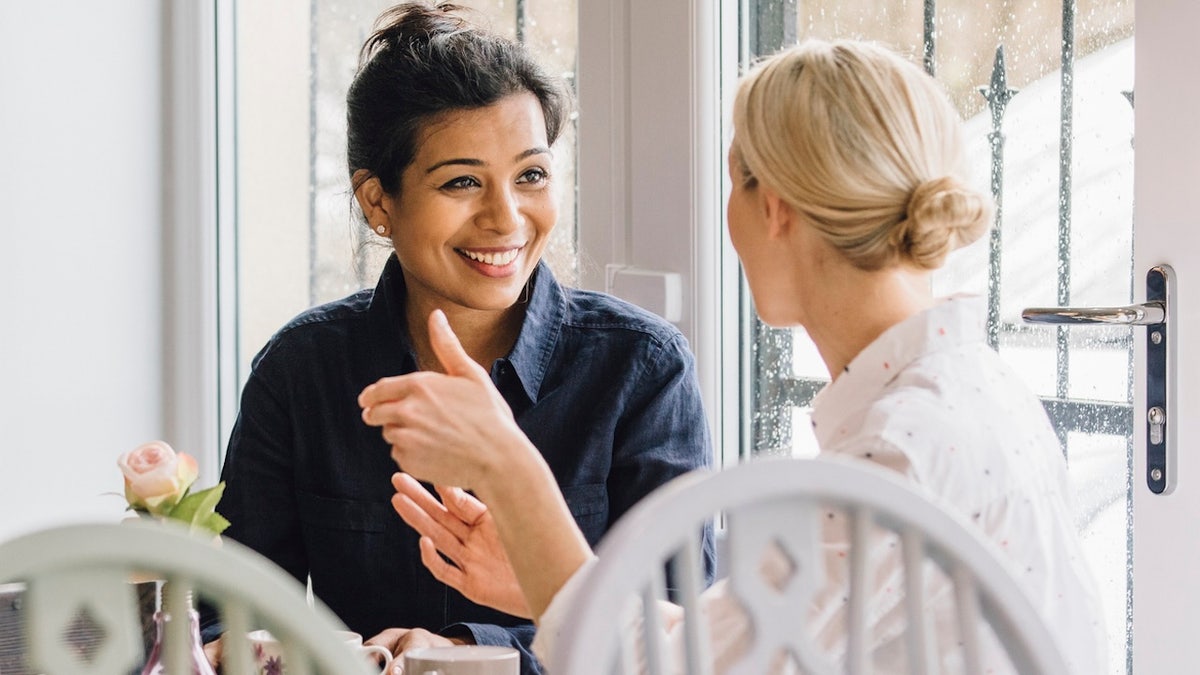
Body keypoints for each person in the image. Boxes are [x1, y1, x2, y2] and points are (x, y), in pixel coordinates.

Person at [361, 39, 1108, 673]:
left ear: (772, 205)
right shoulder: (963, 396)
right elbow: (729, 645)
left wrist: (506, 462)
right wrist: (536, 578)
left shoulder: (899, 451)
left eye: (732, 180)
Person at [204, 3, 714, 673]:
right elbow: (227, 611)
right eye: (462, 182)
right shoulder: (301, 370)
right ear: (377, 201)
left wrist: (474, 652)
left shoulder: (642, 369)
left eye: (530, 175)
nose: (506, 217)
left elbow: (685, 633)